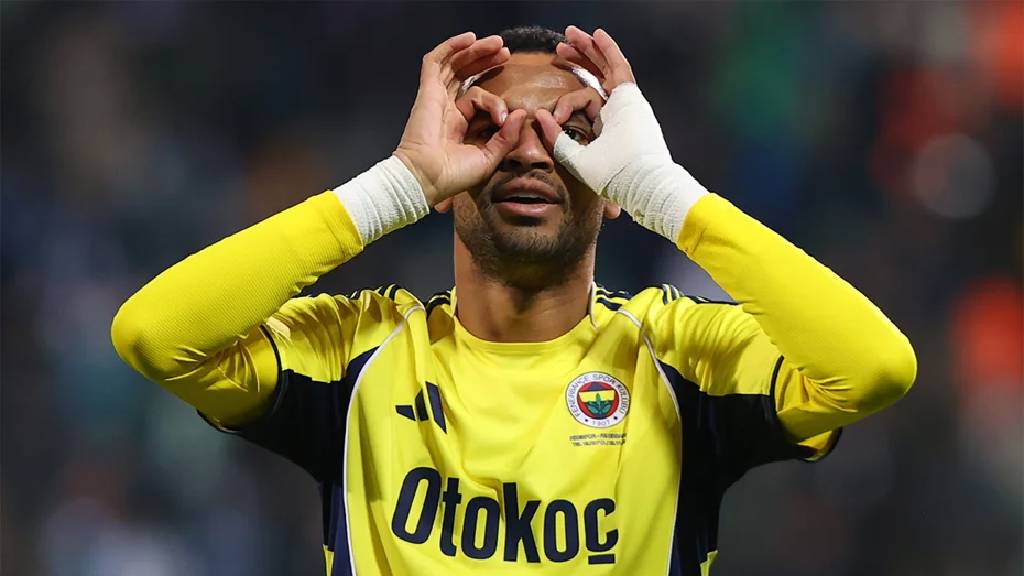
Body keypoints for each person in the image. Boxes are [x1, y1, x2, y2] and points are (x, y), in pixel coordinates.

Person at [111, 25, 916, 575]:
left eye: (573, 131)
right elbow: (154, 334)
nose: (531, 151)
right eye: (489, 125)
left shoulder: (682, 358)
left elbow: (874, 368)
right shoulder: (357, 353)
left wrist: (666, 193)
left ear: (616, 181)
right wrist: (396, 185)